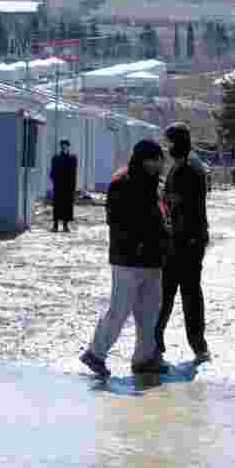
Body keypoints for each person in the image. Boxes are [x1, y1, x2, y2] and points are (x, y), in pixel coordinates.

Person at [80, 140, 170, 378]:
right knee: (119, 311)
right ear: (143, 159)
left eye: (160, 159)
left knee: (149, 313)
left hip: (152, 260)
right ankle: (95, 353)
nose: (159, 164)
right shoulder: (122, 182)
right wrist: (139, 242)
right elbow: (116, 221)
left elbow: (160, 216)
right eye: (155, 159)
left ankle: (143, 358)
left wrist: (163, 239)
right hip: (128, 260)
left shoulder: (155, 183)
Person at [155, 122, 212, 364]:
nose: (167, 147)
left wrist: (164, 197)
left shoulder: (187, 168)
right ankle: (193, 346)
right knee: (182, 294)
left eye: (169, 142)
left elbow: (184, 205)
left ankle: (160, 345)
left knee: (175, 294)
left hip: (185, 242)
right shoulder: (184, 165)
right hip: (186, 240)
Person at [50, 139, 78, 233]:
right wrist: (54, 181)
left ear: (68, 146)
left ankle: (65, 225)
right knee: (57, 205)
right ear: (61, 147)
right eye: (62, 145)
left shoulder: (72, 158)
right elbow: (53, 171)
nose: (64, 147)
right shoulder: (56, 157)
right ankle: (55, 225)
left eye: (66, 145)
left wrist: (73, 185)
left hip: (68, 186)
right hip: (58, 185)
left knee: (67, 205)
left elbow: (74, 173)